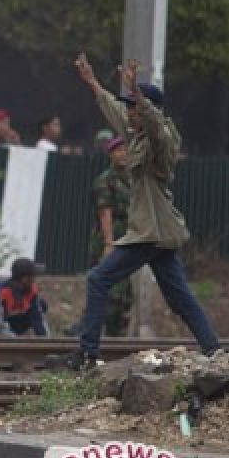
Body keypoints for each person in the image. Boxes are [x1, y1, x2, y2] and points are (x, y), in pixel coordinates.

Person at [66, 55, 221, 368]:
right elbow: (114, 111)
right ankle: (213, 350)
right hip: (157, 232)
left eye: (134, 105)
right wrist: (92, 82)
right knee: (179, 297)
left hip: (150, 232)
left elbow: (154, 124)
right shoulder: (135, 133)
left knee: (98, 279)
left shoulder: (163, 139)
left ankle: (88, 353)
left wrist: (137, 90)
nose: (129, 111)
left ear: (148, 107)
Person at [90, 136, 133, 336]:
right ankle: (96, 332)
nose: (122, 154)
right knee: (110, 288)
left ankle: (117, 336)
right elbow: (105, 211)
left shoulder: (133, 178)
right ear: (111, 154)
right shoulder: (105, 179)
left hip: (129, 236)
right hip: (111, 236)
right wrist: (108, 243)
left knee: (124, 293)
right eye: (118, 150)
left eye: (125, 150)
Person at [0, 257, 49, 337]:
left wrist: (46, 342)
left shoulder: (31, 291)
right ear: (24, 278)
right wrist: (13, 340)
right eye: (33, 276)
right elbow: (0, 322)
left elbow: (38, 319)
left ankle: (15, 335)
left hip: (10, 317)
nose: (34, 279)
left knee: (42, 304)